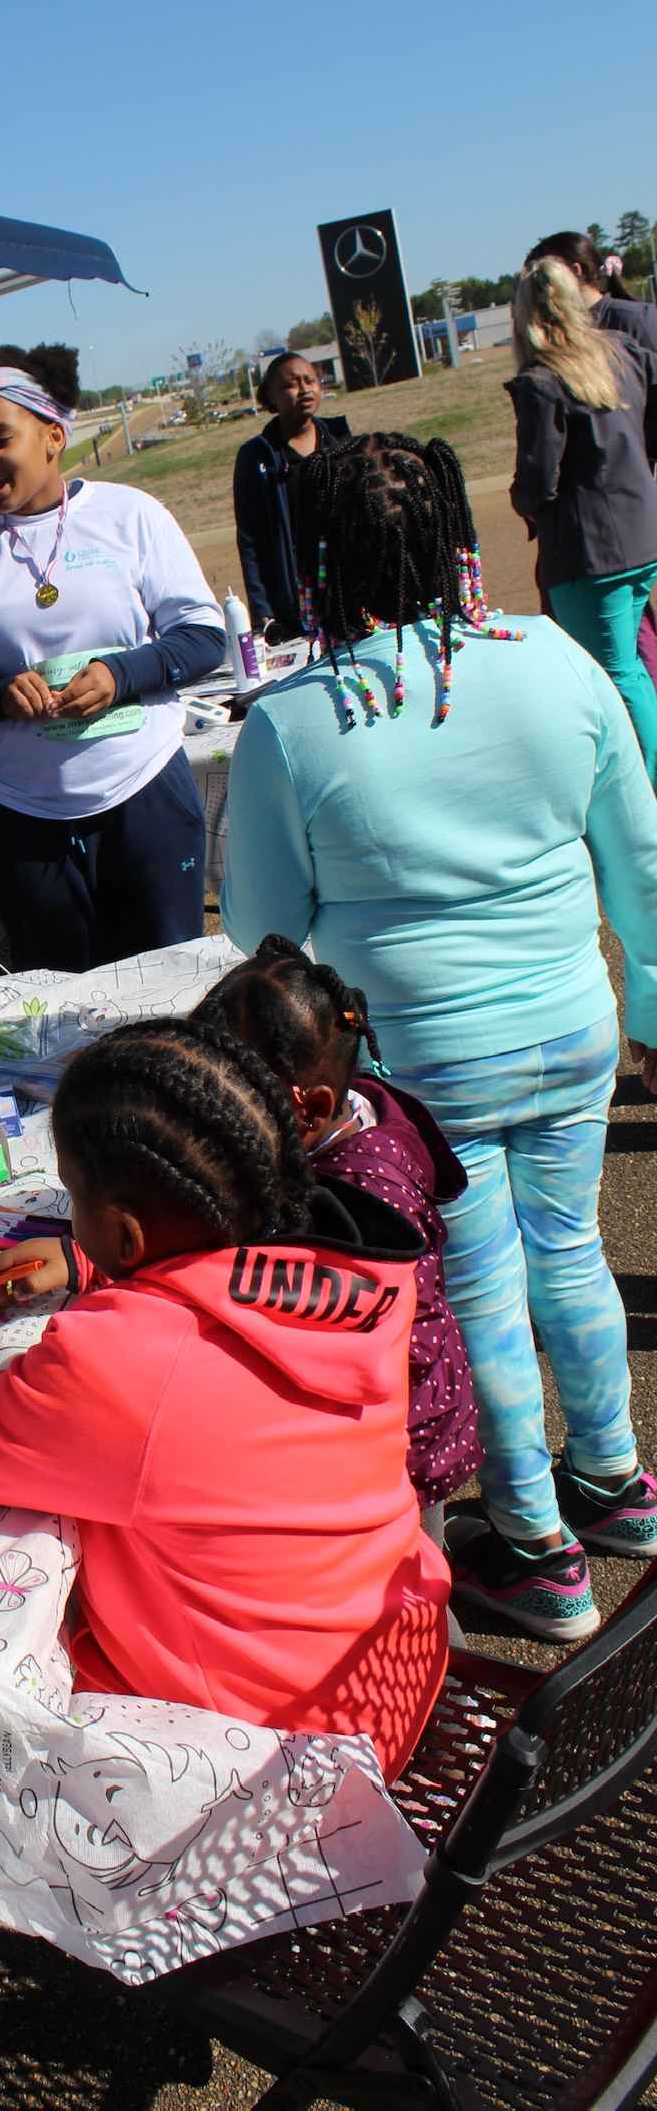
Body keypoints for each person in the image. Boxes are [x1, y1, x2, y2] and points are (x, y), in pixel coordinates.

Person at [221, 432, 657, 1641]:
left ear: (322, 556)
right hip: (572, 1026)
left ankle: (535, 1549)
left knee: (478, 1286)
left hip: (421, 1062)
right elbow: (641, 859)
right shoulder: (555, 663)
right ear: (454, 535)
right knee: (568, 1245)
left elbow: (265, 934)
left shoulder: (295, 722)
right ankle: (617, 1487)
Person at [0, 1017, 447, 1780]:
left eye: (73, 1198)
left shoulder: (121, 1363)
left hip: (261, 1746)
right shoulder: (359, 1279)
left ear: (127, 1232)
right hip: (380, 1674)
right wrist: (93, 1267)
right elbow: (214, 1312)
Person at [0, 343, 225, 973]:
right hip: (26, 819)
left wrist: (120, 674)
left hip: (144, 796)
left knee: (175, 999)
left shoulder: (129, 515)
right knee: (66, 1020)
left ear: (52, 435)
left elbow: (201, 636)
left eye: (0, 439)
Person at [196, 936, 481, 1541]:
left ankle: (439, 1633)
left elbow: (383, 1341)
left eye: (234, 1107)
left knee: (404, 1583)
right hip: (394, 1421)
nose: (217, 1126)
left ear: (312, 1107)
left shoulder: (363, 1203)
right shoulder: (350, 1120)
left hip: (395, 1442)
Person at [508, 257, 657, 779]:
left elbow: (538, 478)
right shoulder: (622, 352)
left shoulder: (541, 381)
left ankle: (645, 782)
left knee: (612, 674)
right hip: (640, 534)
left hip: (589, 550)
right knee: (630, 667)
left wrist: (523, 501)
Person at [233, 353, 351, 640]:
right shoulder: (256, 456)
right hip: (292, 599)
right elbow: (249, 540)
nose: (305, 389)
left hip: (346, 589)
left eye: (310, 380)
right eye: (291, 384)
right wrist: (263, 613)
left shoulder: (342, 442)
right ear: (270, 397)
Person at [524, 231, 657, 358]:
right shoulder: (559, 333)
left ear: (576, 271)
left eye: (544, 279)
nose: (538, 292)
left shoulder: (637, 319)